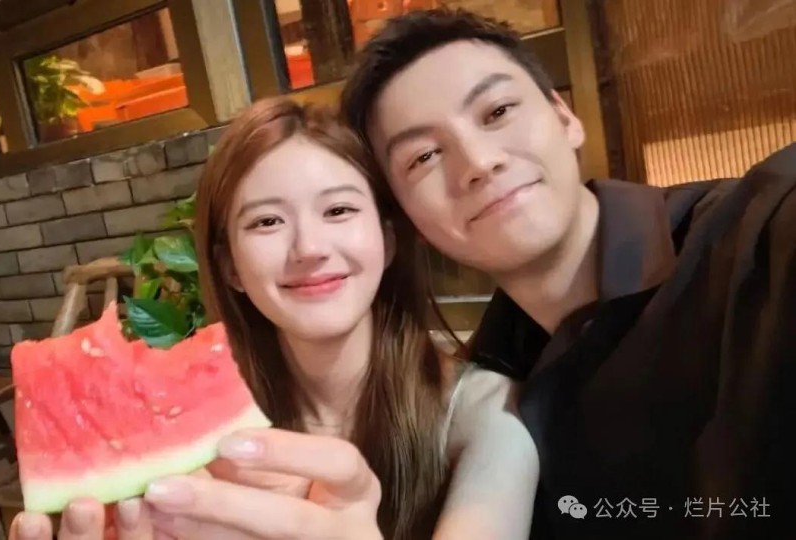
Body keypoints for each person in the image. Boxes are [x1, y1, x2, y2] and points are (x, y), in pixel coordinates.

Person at [336, 7, 796, 540]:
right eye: (424, 157)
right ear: (407, 219)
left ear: (564, 117)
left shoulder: (762, 239)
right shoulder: (488, 396)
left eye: (497, 111)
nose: (479, 162)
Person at [9, 97, 538, 540]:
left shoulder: (490, 418)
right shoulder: (197, 451)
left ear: (388, 239)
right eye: (266, 221)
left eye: (338, 210)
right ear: (230, 268)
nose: (309, 248)